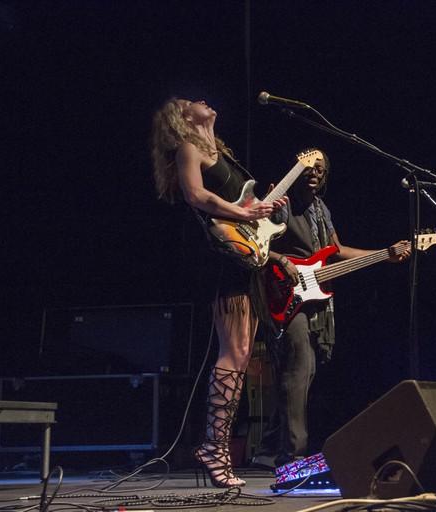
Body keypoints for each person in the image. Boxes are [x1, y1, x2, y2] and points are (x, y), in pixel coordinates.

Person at [150, 98, 290, 487]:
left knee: (242, 353)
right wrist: (243, 212)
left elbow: (241, 207)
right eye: (191, 100)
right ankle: (214, 446)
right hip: (219, 258)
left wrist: (263, 209)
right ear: (181, 117)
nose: (203, 101)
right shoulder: (188, 148)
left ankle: (217, 445)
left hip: (241, 255)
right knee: (233, 352)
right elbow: (197, 195)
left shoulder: (221, 152)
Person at [252, 149, 411, 469]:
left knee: (305, 372)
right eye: (309, 167)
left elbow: (335, 252)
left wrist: (385, 254)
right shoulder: (282, 202)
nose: (315, 173)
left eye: (321, 170)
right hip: (282, 292)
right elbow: (255, 239)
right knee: (300, 367)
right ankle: (293, 456)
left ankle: (270, 447)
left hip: (313, 297)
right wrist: (282, 260)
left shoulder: (321, 209)